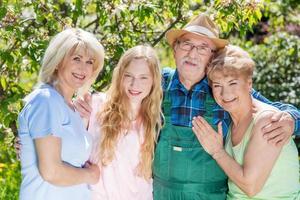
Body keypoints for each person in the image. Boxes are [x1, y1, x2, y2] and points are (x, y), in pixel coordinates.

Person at [152, 13, 300, 199]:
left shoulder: (223, 89)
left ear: (213, 57)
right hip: (162, 193)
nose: (192, 53)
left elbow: (269, 108)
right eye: (186, 44)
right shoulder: (158, 83)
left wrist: (292, 120)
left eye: (203, 48)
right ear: (175, 49)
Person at [192, 45, 300, 199]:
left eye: (232, 83)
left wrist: (217, 151)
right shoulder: (231, 122)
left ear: (249, 84)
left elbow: (251, 186)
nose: (225, 93)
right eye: (217, 85)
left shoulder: (267, 120)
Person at [17, 28, 105, 200]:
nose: (83, 68)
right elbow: (51, 172)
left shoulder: (71, 108)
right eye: (76, 58)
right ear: (58, 61)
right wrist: (90, 175)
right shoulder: (45, 100)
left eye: (89, 62)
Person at [87, 45, 162, 199]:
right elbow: (64, 139)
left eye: (143, 77)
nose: (135, 85)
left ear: (154, 80)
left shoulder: (154, 121)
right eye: (129, 76)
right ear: (120, 75)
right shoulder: (95, 106)